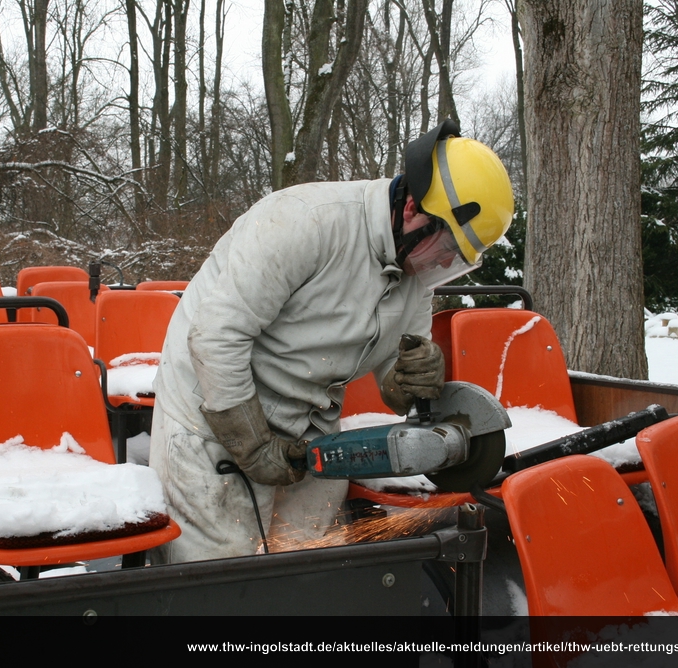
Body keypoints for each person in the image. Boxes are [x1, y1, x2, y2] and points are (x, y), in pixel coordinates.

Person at [149, 119, 514, 563]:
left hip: (310, 431)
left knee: (313, 574)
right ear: (414, 209)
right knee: (222, 583)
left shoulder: (417, 272)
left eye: (457, 258)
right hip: (213, 420)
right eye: (447, 245)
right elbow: (214, 338)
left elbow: (396, 383)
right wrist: (253, 443)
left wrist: (412, 379)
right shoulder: (304, 221)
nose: (445, 261)